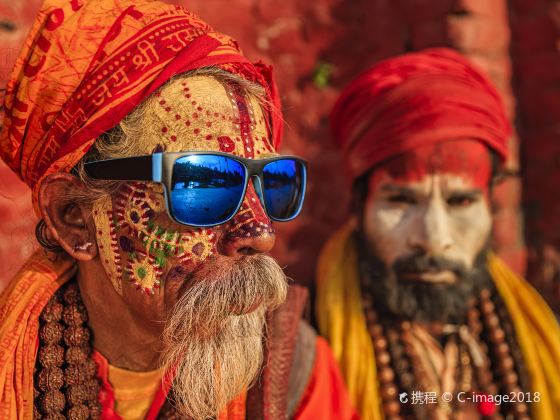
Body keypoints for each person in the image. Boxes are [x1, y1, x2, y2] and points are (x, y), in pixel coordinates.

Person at [0, 1, 357, 419]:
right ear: (73, 217)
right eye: (203, 182)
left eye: (270, 182)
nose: (261, 232)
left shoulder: (294, 373)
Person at [316, 48, 560, 420]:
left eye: (460, 201)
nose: (433, 238)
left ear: (490, 207)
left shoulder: (544, 339)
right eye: (400, 200)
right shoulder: (303, 356)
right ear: (359, 207)